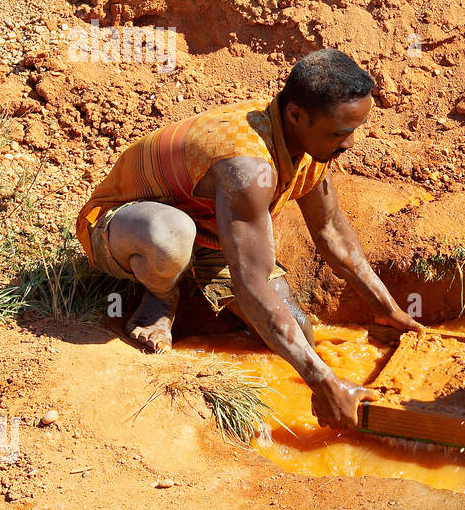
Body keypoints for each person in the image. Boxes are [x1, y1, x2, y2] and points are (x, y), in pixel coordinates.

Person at [76, 48, 422, 429]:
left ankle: (191, 277)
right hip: (123, 224)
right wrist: (322, 381)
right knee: (171, 237)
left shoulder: (303, 140)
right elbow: (252, 285)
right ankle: (161, 296)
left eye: (354, 130)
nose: (350, 144)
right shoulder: (247, 164)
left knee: (300, 334)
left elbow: (331, 232)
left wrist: (384, 306)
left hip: (210, 230)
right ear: (296, 115)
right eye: (341, 132)